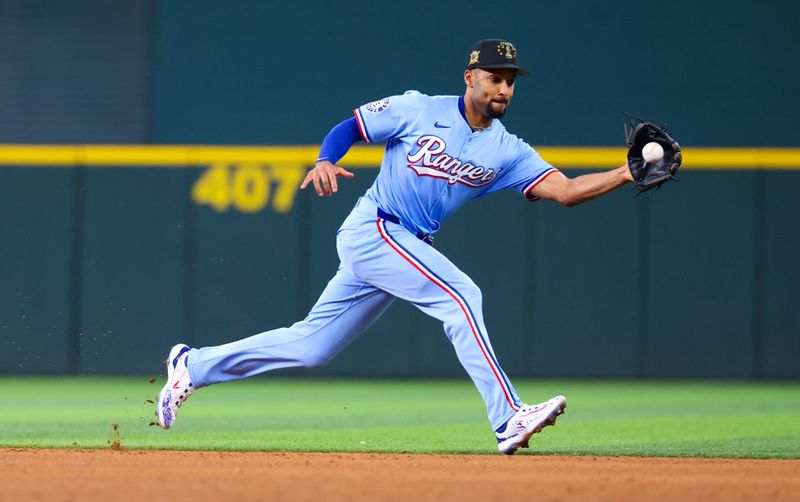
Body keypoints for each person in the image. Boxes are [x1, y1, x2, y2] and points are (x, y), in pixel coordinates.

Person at [155, 39, 634, 454]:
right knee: (462, 296)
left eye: (511, 80)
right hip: (376, 229)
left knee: (312, 347)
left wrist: (626, 172)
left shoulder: (508, 150)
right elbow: (351, 128)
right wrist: (325, 160)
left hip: (401, 246)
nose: (504, 88)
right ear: (471, 77)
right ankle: (508, 416)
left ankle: (191, 366)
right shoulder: (419, 108)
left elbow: (566, 192)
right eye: (495, 77)